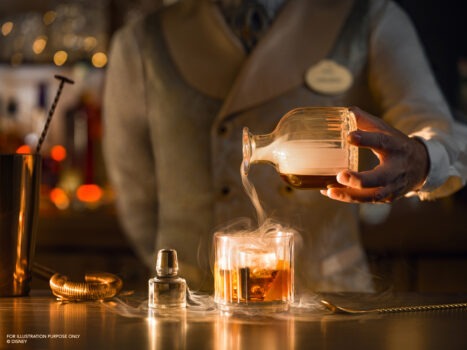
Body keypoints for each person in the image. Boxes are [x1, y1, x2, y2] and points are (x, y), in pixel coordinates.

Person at [103, 0, 467, 293]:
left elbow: (445, 132)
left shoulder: (366, 17)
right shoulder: (142, 42)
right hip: (196, 304)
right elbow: (134, 192)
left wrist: (421, 160)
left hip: (330, 301)